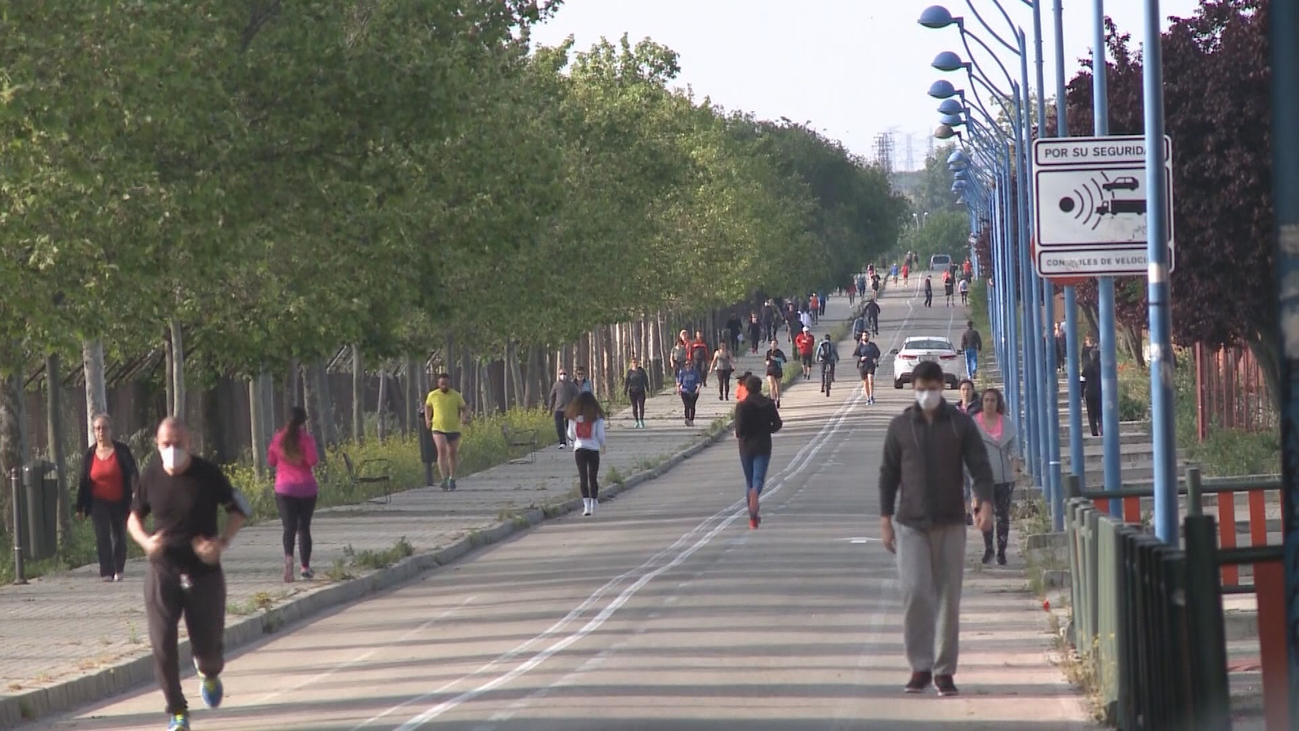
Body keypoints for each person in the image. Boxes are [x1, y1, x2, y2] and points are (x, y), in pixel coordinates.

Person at [878, 361, 994, 698]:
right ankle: (919, 666)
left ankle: (944, 671)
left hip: (950, 522)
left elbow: (980, 466)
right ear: (914, 388)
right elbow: (888, 474)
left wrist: (984, 503)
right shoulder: (901, 426)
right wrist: (885, 518)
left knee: (947, 597)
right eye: (921, 387)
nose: (926, 393)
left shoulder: (960, 425)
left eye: (932, 387)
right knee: (915, 591)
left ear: (942, 387)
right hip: (910, 523)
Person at [128, 418, 249, 731]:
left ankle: (208, 672)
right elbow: (133, 518)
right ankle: (177, 712)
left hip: (203, 572)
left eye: (178, 444)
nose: (172, 450)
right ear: (157, 444)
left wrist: (221, 543)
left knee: (208, 649)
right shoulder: (150, 475)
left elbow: (239, 509)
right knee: (162, 645)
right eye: (166, 444)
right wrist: (145, 542)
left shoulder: (208, 473)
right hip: (163, 569)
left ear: (190, 443)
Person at [76, 413, 139, 582]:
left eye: (104, 428)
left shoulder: (121, 450)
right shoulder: (90, 454)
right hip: (98, 501)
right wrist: (79, 506)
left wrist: (135, 491)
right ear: (94, 432)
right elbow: (83, 480)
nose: (101, 432)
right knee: (102, 535)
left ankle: (119, 568)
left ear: (111, 430)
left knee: (119, 536)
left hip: (120, 499)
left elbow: (133, 471)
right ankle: (106, 572)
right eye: (97, 428)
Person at [267, 406, 319, 582]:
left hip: (284, 489)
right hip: (306, 489)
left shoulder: (278, 438)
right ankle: (305, 568)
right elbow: (313, 461)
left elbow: (271, 461)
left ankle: (288, 560)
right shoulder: (306, 439)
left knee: (288, 528)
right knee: (303, 528)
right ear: (303, 421)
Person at [974, 388, 1017, 565]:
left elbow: (1014, 449)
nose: (989, 404)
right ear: (982, 403)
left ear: (998, 403)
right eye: (986, 400)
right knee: (986, 514)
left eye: (993, 400)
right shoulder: (974, 425)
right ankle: (988, 549)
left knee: (1003, 515)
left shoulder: (1007, 424)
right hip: (983, 479)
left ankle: (1001, 551)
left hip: (1004, 478)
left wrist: (1016, 465)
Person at [734, 375, 783, 529]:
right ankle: (756, 492)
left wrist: (741, 434)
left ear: (746, 389)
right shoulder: (768, 404)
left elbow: (739, 430)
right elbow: (777, 424)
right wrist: (767, 429)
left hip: (746, 446)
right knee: (758, 479)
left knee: (749, 480)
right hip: (763, 445)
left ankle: (753, 518)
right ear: (760, 387)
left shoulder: (741, 406)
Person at [565, 392, 607, 516]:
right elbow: (600, 434)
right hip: (593, 449)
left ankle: (586, 505)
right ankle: (594, 501)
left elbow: (570, 435)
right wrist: (603, 444)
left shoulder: (573, 417)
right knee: (593, 477)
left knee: (583, 477)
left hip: (579, 449)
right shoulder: (597, 417)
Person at [425, 373, 469, 491]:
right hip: (438, 427)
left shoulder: (456, 395)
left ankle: (452, 478)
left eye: (446, 383)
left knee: (452, 453)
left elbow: (464, 408)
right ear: (438, 384)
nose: (444, 386)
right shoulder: (433, 395)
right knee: (442, 450)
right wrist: (427, 419)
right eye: (442, 383)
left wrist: (464, 417)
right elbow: (428, 406)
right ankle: (444, 478)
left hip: (453, 428)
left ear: (449, 383)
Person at [956, 379, 982, 526]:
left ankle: (976, 509)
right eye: (963, 389)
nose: (965, 392)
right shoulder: (955, 409)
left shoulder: (979, 409)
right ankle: (966, 513)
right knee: (962, 484)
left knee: (975, 483)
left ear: (972, 391)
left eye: (968, 389)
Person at [548, 368, 580, 449]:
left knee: (570, 426)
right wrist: (550, 409)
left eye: (564, 374)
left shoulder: (572, 385)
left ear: (567, 375)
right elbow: (552, 397)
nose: (563, 376)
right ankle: (562, 442)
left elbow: (577, 396)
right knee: (559, 426)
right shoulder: (556, 385)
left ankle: (571, 440)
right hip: (558, 409)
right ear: (559, 375)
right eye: (561, 374)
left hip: (569, 409)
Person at [854, 332, 882, 405]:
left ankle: (871, 396)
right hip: (862, 366)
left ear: (868, 336)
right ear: (862, 337)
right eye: (864, 336)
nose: (865, 337)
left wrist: (875, 358)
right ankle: (867, 398)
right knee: (865, 382)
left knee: (870, 380)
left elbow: (878, 352)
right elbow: (855, 355)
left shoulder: (872, 345)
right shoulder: (860, 346)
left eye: (866, 335)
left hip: (871, 365)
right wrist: (860, 358)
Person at [623, 357, 650, 429]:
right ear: (631, 364)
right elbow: (627, 382)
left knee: (641, 406)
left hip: (641, 391)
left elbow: (645, 379)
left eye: (636, 362)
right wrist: (625, 391)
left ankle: (641, 420)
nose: (635, 363)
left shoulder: (641, 371)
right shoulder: (629, 372)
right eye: (633, 362)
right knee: (634, 407)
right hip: (632, 392)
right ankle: (636, 421)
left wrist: (647, 388)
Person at [1082, 348, 1102, 436]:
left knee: (1091, 413)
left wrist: (1081, 393)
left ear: (1091, 356)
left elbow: (1082, 380)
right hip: (1100, 392)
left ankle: (1094, 432)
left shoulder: (1087, 367)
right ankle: (1102, 429)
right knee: (1100, 412)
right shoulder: (1102, 366)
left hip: (1089, 393)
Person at [677, 359, 702, 427]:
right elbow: (679, 382)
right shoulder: (682, 372)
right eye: (686, 364)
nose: (688, 366)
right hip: (685, 391)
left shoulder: (695, 372)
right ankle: (687, 418)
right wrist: (678, 389)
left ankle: (691, 419)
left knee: (692, 406)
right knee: (687, 406)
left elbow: (699, 382)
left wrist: (698, 389)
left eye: (689, 364)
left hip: (693, 391)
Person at [764, 339, 788, 408]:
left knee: (778, 386)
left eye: (775, 344)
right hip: (770, 370)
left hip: (778, 370)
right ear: (770, 345)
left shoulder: (779, 352)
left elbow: (784, 361)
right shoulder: (768, 352)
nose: (773, 345)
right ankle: (772, 401)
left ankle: (778, 399)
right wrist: (767, 363)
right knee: (772, 386)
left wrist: (776, 359)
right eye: (772, 344)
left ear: (777, 345)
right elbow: (766, 360)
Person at [816, 333, 839, 397]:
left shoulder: (821, 343)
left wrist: (817, 359)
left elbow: (818, 352)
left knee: (822, 373)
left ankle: (822, 386)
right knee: (832, 368)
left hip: (822, 359)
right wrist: (837, 358)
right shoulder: (832, 343)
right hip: (830, 359)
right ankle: (832, 378)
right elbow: (835, 352)